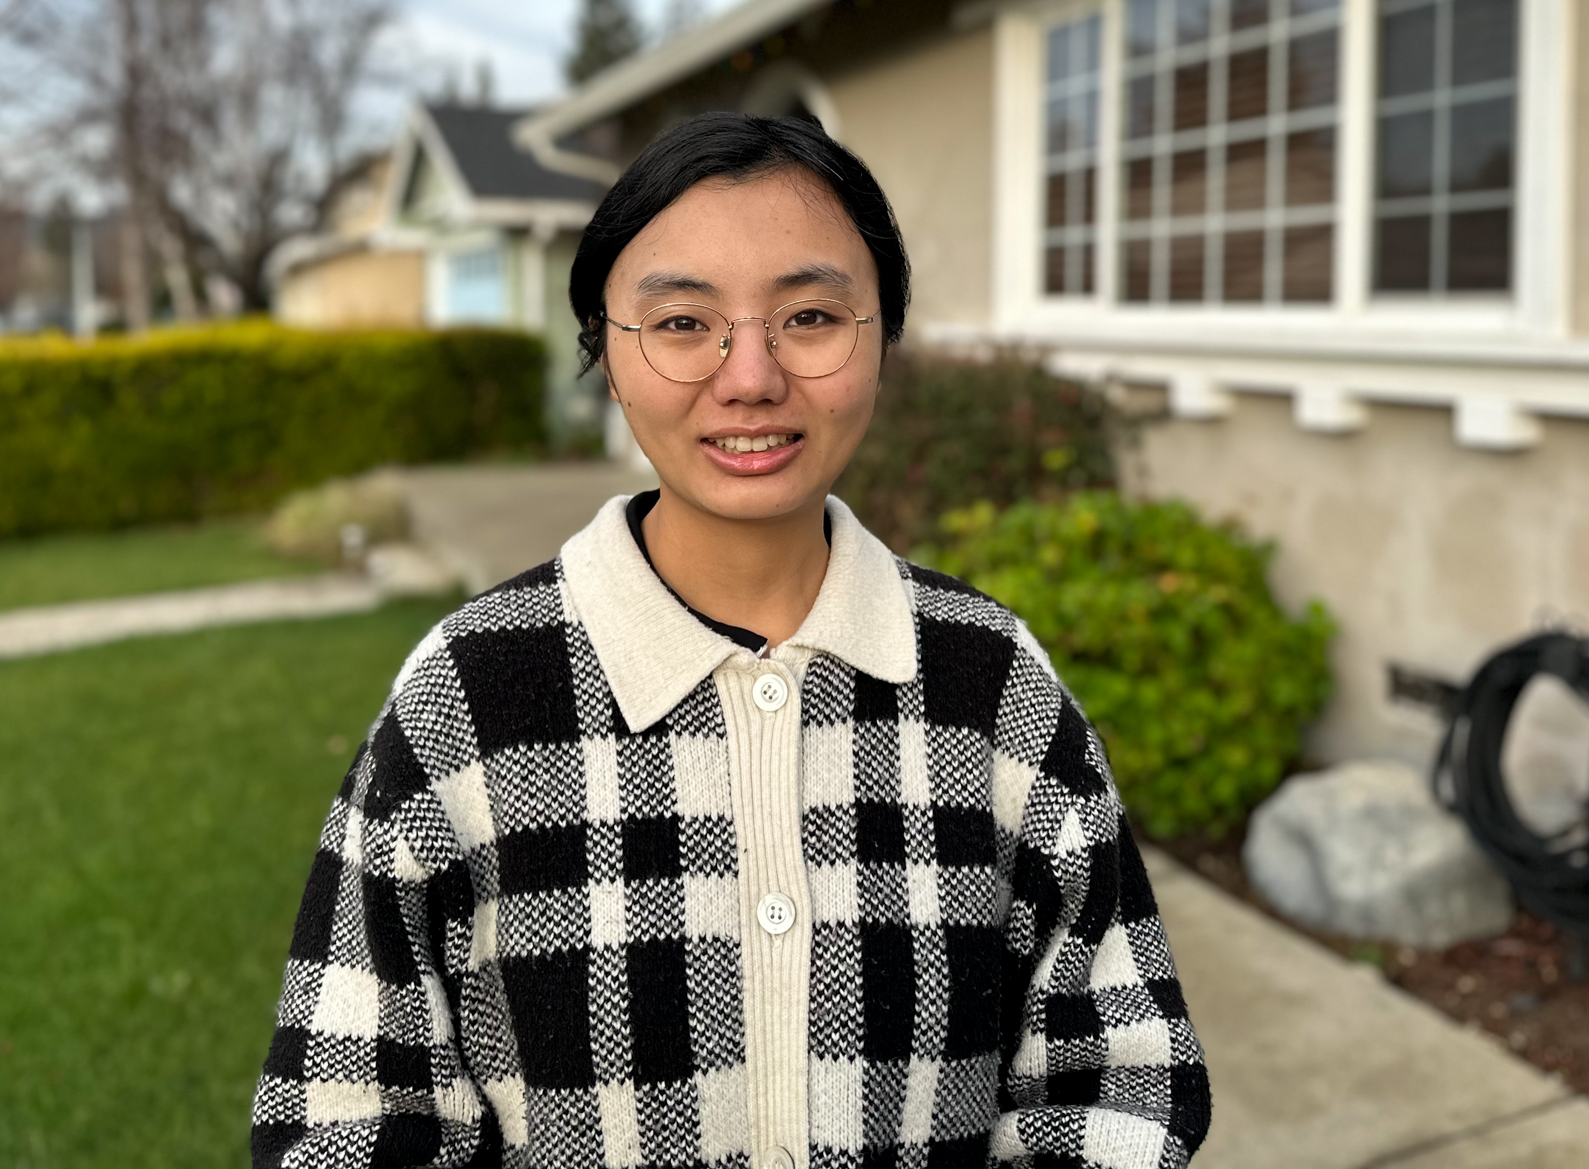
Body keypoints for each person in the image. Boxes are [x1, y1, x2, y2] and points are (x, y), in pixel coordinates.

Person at [251, 112, 1211, 1168]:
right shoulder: (470, 696)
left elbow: (1124, 1072)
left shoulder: (993, 685)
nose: (749, 376)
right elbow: (342, 1116)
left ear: (881, 338)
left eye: (809, 315)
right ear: (605, 357)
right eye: (680, 323)